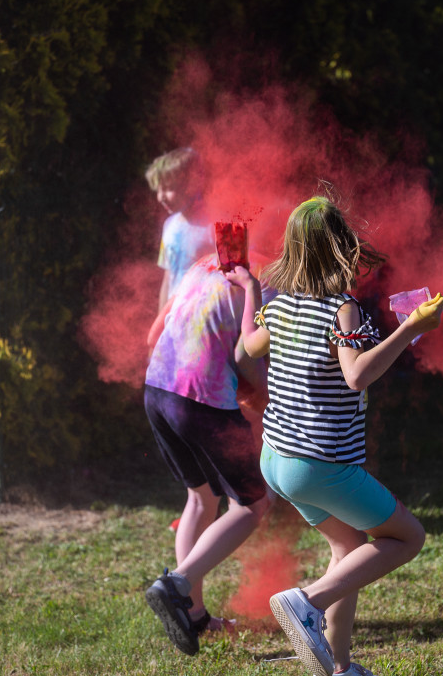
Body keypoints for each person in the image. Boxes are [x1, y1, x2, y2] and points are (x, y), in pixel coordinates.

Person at [225, 195, 443, 676]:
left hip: (277, 459)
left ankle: (339, 667)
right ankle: (307, 601)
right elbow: (357, 376)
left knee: (347, 549)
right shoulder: (342, 309)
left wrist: (249, 291)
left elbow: (247, 347)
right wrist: (411, 327)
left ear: (294, 250)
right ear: (343, 248)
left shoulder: (281, 305)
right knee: (408, 537)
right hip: (318, 464)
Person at [142, 252, 275, 656]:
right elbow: (245, 358)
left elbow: (153, 335)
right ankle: (176, 583)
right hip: (203, 402)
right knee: (252, 505)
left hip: (157, 390)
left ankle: (195, 616)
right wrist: (266, 398)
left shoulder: (203, 264)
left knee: (200, 498)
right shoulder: (263, 282)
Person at [145, 147, 216, 311]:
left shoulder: (215, 226)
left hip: (204, 318)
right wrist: (160, 323)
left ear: (193, 183)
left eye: (168, 188)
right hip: (174, 319)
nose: (161, 197)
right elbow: (168, 277)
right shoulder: (169, 225)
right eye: (158, 190)